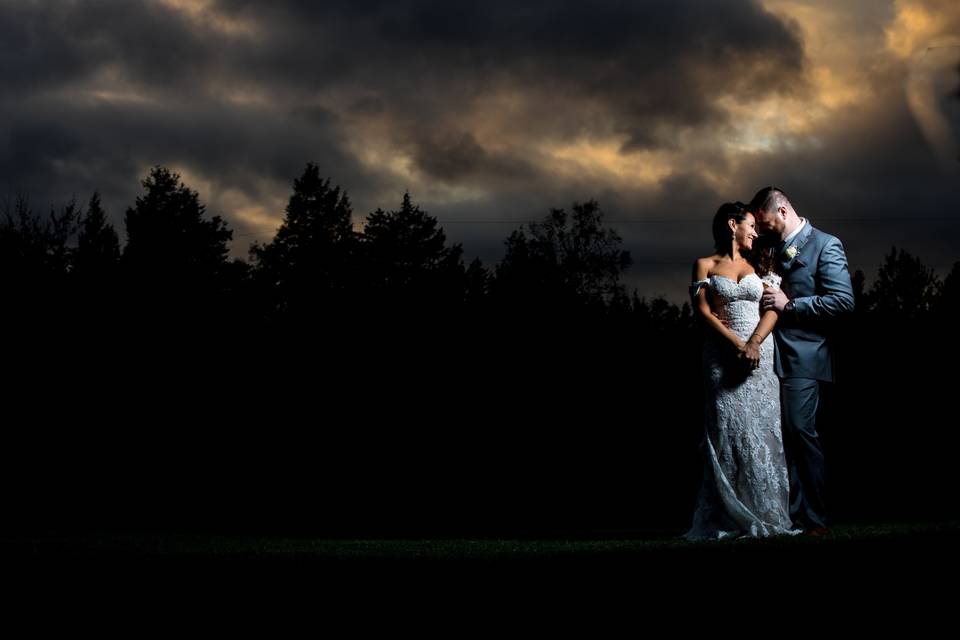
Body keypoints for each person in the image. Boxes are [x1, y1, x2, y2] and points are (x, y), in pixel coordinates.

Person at [682, 202, 800, 540]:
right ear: (733, 224)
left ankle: (767, 511)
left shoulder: (762, 262)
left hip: (758, 356)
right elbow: (703, 312)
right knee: (726, 432)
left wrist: (752, 344)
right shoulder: (704, 264)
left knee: (760, 432)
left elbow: (774, 310)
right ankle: (727, 513)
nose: (755, 232)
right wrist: (735, 342)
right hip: (720, 357)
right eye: (751, 226)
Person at [749, 187, 855, 536]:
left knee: (800, 433)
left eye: (765, 225)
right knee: (777, 439)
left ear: (782, 211)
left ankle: (813, 520)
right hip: (766, 359)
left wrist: (790, 305)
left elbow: (842, 302)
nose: (762, 232)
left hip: (805, 357)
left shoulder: (826, 244)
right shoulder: (767, 248)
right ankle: (784, 518)